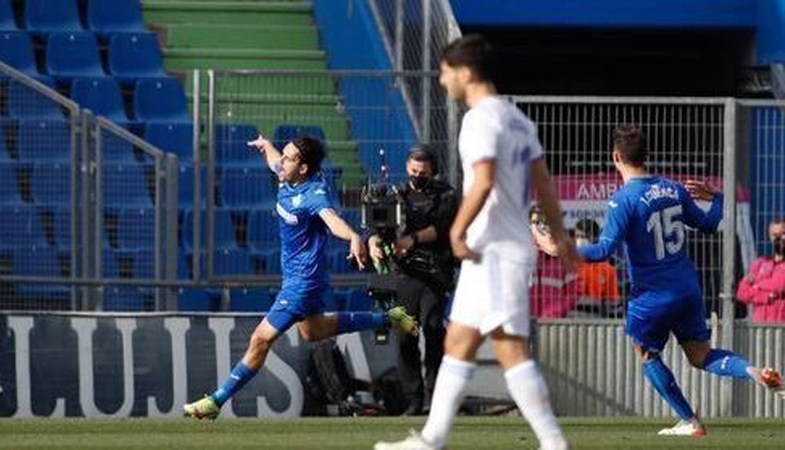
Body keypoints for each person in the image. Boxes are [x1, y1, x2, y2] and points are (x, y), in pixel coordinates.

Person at [375, 34, 575, 450]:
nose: (441, 80)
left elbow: (483, 181)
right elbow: (544, 185)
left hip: (498, 250)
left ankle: (554, 442)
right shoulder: (517, 119)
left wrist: (456, 230)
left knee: (509, 348)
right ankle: (431, 439)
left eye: (445, 72)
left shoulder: (480, 119)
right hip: (492, 251)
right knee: (458, 342)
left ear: (465, 73)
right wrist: (560, 235)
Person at [537, 124, 784, 436]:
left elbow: (602, 251)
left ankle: (690, 420)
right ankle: (752, 371)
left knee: (646, 353)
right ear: (647, 155)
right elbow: (708, 224)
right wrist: (719, 199)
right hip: (687, 289)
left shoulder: (623, 200)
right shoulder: (673, 189)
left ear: (616, 157)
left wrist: (559, 248)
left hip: (651, 296)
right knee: (701, 355)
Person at [183, 134, 419, 419]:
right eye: (284, 155)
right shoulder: (287, 174)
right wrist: (267, 146)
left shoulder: (312, 194)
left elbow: (332, 220)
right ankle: (388, 318)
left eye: (289, 158)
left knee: (260, 339)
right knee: (313, 332)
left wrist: (354, 237)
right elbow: (275, 162)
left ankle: (215, 402)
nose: (282, 161)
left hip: (302, 283)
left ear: (303, 168)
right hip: (301, 278)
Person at [367, 143, 458, 416]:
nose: (418, 176)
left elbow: (442, 227)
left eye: (424, 173)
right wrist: (373, 242)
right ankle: (413, 399)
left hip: (434, 275)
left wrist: (412, 239)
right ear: (407, 167)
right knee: (405, 336)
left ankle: (435, 396)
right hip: (402, 276)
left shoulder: (446, 195)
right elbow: (377, 227)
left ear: (433, 172)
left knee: (433, 329)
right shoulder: (396, 195)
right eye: (414, 171)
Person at [528, 205, 578, 318]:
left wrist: (555, 311)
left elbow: (574, 292)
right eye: (535, 222)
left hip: (553, 323)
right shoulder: (521, 255)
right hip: (524, 321)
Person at [736, 217, 785, 323]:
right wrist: (766, 296)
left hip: (781, 325)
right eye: (775, 235)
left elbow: (779, 285)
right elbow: (741, 292)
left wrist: (757, 285)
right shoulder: (759, 264)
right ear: (770, 237)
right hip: (760, 327)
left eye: (782, 234)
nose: (779, 238)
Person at [572, 218, 622, 318]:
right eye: (577, 236)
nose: (580, 241)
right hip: (568, 321)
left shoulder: (608, 270)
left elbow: (614, 308)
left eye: (585, 237)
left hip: (596, 322)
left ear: (595, 238)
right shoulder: (567, 265)